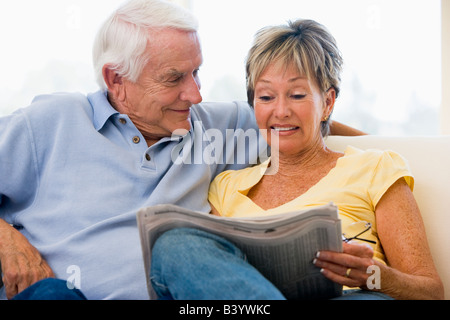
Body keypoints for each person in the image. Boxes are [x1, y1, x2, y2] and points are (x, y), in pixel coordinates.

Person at [0, 0, 361, 300]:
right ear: (116, 80)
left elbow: (297, 117)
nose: (196, 94)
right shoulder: (52, 122)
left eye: (197, 72)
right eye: (174, 78)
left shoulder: (212, 123)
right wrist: (6, 239)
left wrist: (372, 147)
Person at [149, 19, 444, 300]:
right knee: (175, 247)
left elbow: (430, 292)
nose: (280, 111)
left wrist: (375, 277)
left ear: (327, 102)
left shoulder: (374, 168)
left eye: (297, 95)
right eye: (265, 97)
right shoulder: (226, 187)